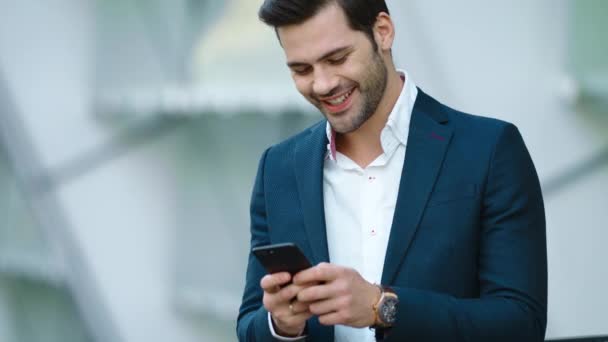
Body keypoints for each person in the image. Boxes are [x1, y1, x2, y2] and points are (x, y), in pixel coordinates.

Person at [237, 0, 547, 341]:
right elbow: (250, 326)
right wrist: (282, 325)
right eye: (301, 70)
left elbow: (521, 324)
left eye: (337, 59)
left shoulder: (488, 151)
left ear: (383, 32)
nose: (322, 84)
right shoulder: (278, 168)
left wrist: (380, 306)